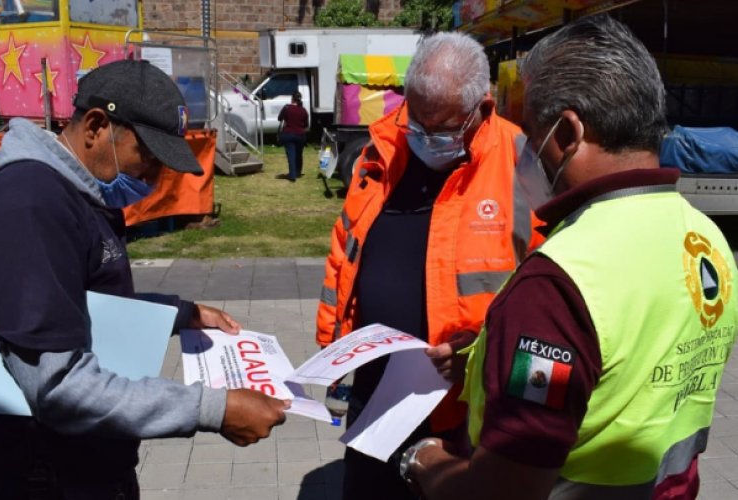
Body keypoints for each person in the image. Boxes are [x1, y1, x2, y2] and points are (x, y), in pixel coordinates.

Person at [404, 14, 738, 500]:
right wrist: (483, 358)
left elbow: (500, 490)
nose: (521, 147)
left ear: (566, 132)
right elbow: (626, 356)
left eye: (528, 129)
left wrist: (423, 459)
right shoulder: (705, 239)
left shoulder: (556, 285)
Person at [0, 59, 288, 498]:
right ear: (95, 127)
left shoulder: (74, 191)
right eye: (147, 155)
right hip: (47, 475)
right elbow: (58, 386)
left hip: (91, 464)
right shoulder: (32, 203)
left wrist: (180, 313)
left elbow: (78, 302)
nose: (153, 174)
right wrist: (213, 409)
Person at [315, 32, 543, 500]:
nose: (423, 138)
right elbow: (345, 252)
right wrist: (331, 352)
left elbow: (548, 292)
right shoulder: (380, 150)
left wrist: (481, 357)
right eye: (415, 120)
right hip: (374, 399)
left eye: (440, 128)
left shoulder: (524, 164)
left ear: (482, 107)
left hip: (465, 411)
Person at [277, 91, 309, 182]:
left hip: (288, 134)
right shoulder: (303, 111)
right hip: (300, 135)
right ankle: (298, 172)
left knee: (291, 154)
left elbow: (279, 118)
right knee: (299, 154)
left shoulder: (287, 108)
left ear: (292, 99)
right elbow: (306, 125)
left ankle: (292, 174)